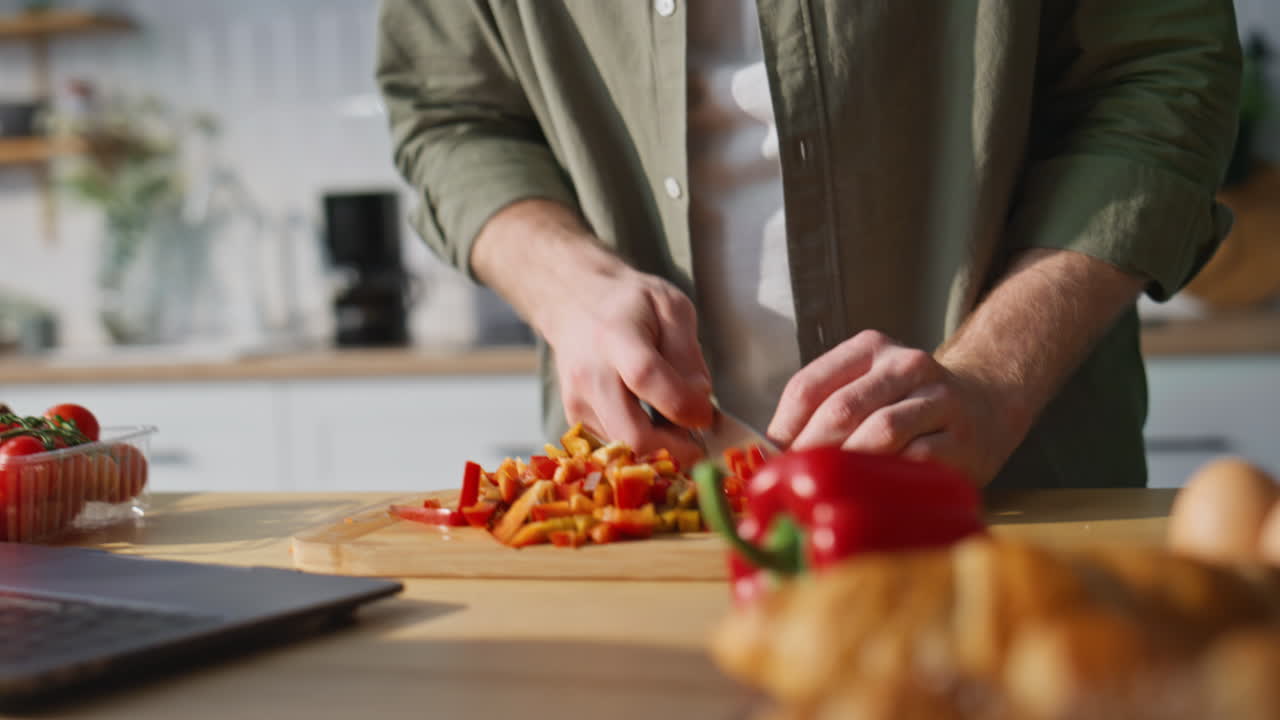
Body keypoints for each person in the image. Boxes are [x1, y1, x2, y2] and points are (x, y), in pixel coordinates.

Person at [376, 0, 1242, 488]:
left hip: (1014, 495)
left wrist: (992, 382)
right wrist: (567, 285)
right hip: (639, 515)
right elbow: (453, 112)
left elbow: (1163, 71)